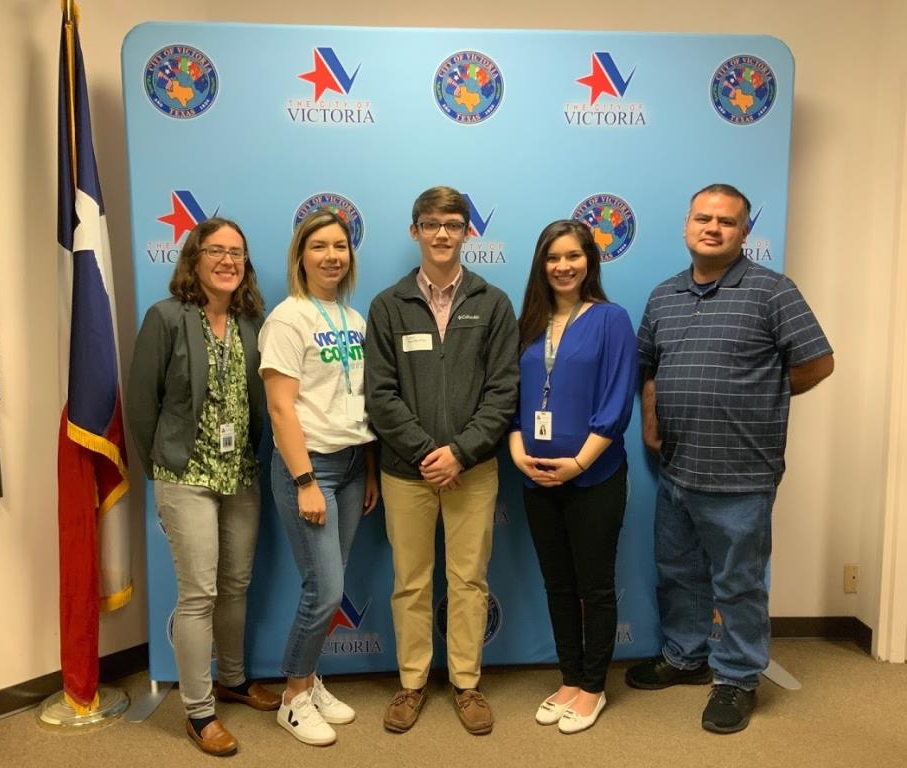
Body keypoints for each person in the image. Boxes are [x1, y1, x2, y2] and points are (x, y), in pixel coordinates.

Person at [626, 184, 834, 734]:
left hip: (743, 470)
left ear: (744, 232)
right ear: (687, 226)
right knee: (678, 572)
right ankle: (685, 655)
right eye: (703, 218)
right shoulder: (665, 295)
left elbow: (818, 363)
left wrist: (760, 391)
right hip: (677, 468)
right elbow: (649, 364)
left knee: (738, 582)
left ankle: (738, 678)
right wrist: (650, 416)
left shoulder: (772, 291)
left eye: (726, 221)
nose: (712, 227)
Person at [365, 186, 519, 736]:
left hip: (473, 470)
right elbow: (379, 393)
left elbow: (504, 390)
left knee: (469, 580)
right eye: (430, 224)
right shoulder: (388, 305)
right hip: (406, 472)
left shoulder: (493, 303)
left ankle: (466, 682)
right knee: (410, 581)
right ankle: (411, 684)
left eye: (452, 224)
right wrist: (426, 452)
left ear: (466, 232)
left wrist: (460, 451)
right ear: (415, 231)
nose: (441, 234)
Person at [126, 217, 278, 757]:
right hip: (185, 477)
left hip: (239, 477)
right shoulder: (166, 318)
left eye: (238, 252)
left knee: (236, 584)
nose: (228, 261)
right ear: (195, 258)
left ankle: (231, 681)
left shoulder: (250, 323)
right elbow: (141, 407)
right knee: (199, 594)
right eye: (216, 250)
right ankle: (198, 711)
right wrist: (162, 469)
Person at [508, 220, 637, 734]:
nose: (563, 266)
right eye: (553, 257)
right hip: (534, 476)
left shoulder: (611, 320)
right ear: (541, 264)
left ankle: (593, 687)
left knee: (595, 585)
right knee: (557, 583)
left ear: (590, 261)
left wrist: (579, 462)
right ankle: (568, 678)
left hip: (594, 476)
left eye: (573, 256)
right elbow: (511, 398)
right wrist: (518, 451)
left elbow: (616, 399)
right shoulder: (528, 323)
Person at [258, 209, 379, 747]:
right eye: (320, 246)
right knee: (323, 589)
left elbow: (360, 402)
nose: (332, 255)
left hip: (353, 464)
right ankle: (291, 696)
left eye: (341, 246)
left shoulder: (353, 320)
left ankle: (311, 680)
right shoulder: (288, 319)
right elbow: (281, 410)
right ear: (300, 256)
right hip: (310, 468)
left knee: (334, 580)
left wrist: (370, 468)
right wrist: (306, 480)